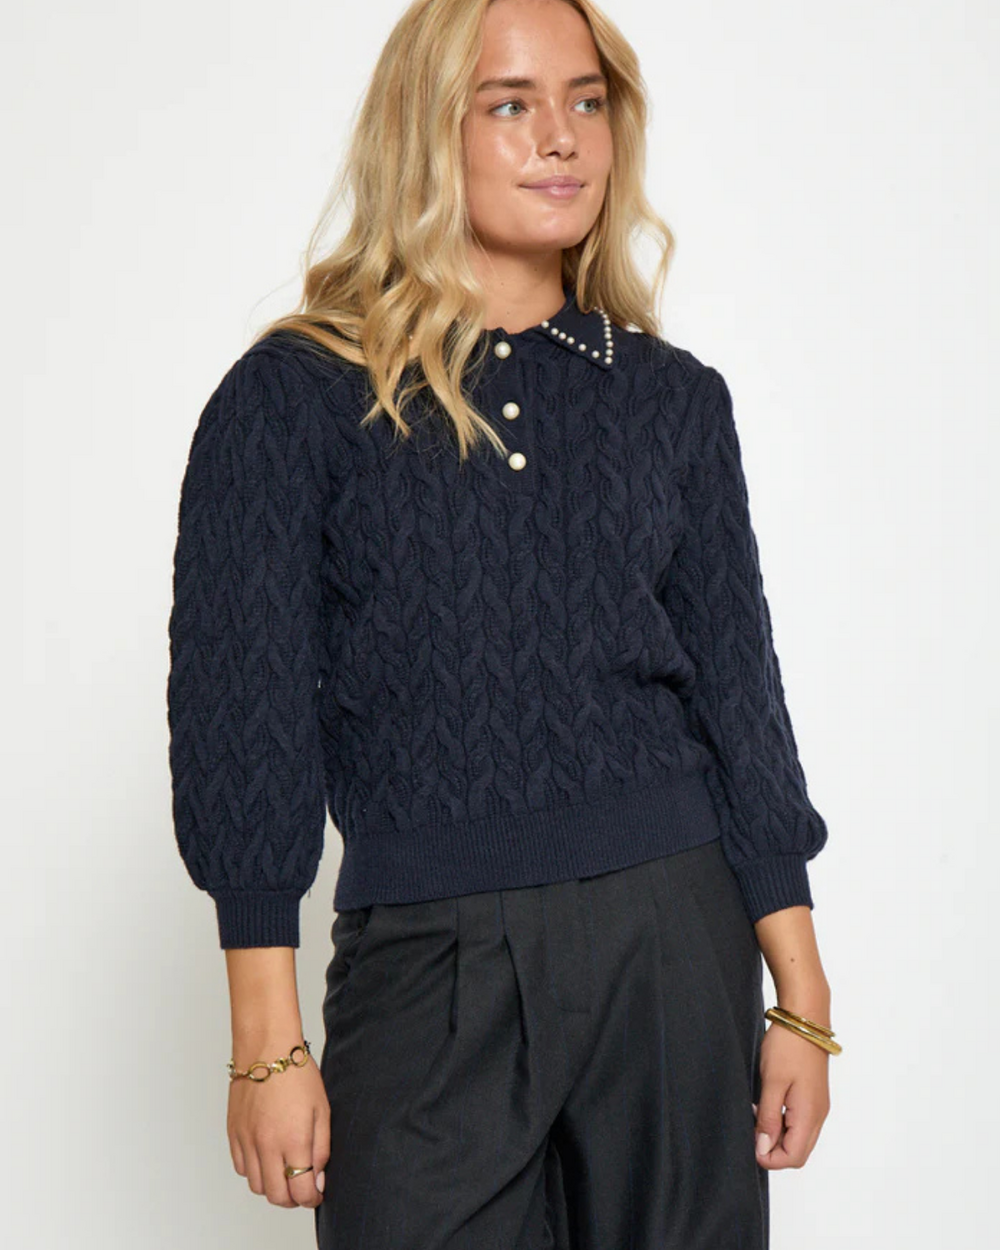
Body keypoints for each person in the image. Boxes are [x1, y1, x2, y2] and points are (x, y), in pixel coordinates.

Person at [165, 1, 839, 1247]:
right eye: (510, 104)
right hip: (428, 958)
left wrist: (798, 992)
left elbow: (741, 700)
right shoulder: (293, 398)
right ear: (426, 128)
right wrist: (267, 1041)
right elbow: (242, 715)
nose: (559, 138)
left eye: (585, 101)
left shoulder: (672, 400)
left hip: (672, 940)